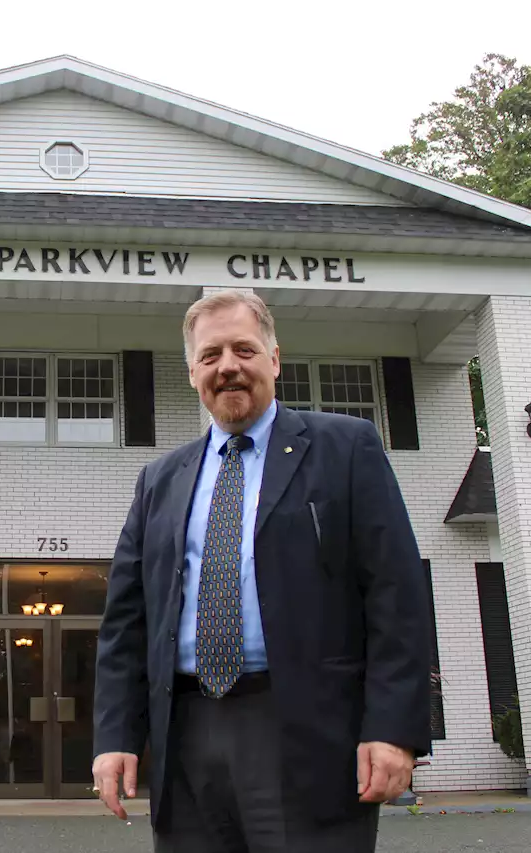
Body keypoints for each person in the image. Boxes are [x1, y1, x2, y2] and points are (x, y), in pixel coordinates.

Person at [92, 290, 433, 852]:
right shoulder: (159, 480)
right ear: (193, 373)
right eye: (211, 355)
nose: (228, 366)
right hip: (185, 735)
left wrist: (393, 729)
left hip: (307, 732)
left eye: (244, 350)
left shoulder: (345, 448)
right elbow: (125, 624)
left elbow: (397, 597)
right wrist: (114, 736)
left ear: (275, 360)